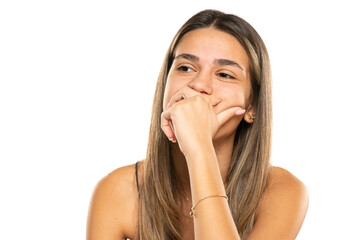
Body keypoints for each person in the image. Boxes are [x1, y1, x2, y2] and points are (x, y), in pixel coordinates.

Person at [86, 9, 309, 240]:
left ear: (252, 106)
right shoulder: (116, 191)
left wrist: (199, 149)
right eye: (185, 68)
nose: (199, 84)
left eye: (224, 74)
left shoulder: (283, 191)